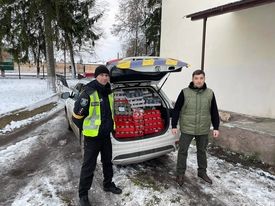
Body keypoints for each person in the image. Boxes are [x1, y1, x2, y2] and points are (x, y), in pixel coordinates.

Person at [72, 65, 122, 206]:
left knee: (107, 162)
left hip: (106, 136)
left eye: (107, 75)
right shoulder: (88, 92)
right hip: (92, 138)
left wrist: (111, 128)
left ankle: (108, 184)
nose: (105, 78)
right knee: (88, 166)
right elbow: (76, 116)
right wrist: (86, 129)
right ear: (96, 76)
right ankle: (83, 195)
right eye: (102, 75)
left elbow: (110, 113)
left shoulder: (109, 92)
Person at [172, 69, 220, 186]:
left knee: (202, 151)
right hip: (187, 128)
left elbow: (214, 111)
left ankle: (202, 172)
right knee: (183, 151)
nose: (199, 81)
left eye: (201, 78)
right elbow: (176, 109)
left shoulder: (210, 93)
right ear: (192, 79)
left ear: (204, 79)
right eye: (196, 78)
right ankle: (180, 174)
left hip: (203, 128)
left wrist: (216, 127)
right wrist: (174, 125)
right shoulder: (184, 92)